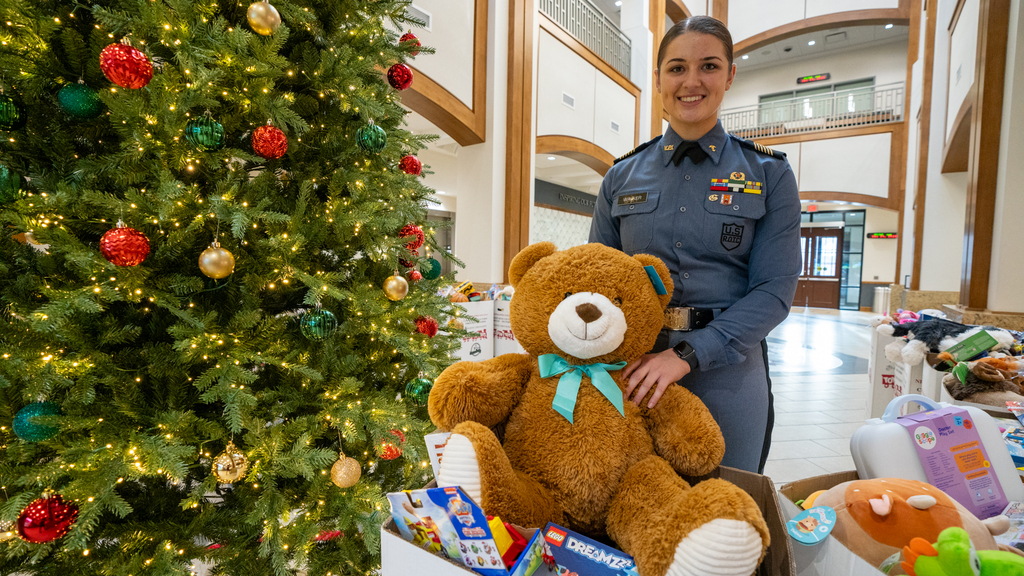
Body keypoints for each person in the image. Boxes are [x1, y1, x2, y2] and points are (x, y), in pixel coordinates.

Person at [588, 16, 801, 474]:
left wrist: (685, 355)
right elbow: (597, 280)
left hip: (729, 370)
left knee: (727, 509)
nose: (692, 81)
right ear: (660, 77)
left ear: (729, 76)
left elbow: (774, 292)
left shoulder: (769, 174)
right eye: (677, 67)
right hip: (632, 367)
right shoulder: (620, 176)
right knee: (628, 504)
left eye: (708, 66)